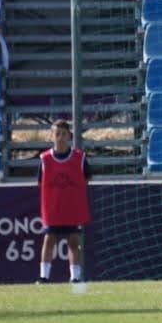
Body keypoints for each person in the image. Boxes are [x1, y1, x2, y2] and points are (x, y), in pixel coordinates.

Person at [36, 119, 90, 286]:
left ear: (69, 136)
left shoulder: (79, 158)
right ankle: (44, 276)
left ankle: (75, 277)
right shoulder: (45, 159)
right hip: (53, 209)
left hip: (71, 207)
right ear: (51, 136)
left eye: (63, 134)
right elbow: (40, 182)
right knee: (49, 239)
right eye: (57, 133)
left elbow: (87, 178)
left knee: (73, 241)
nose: (60, 137)